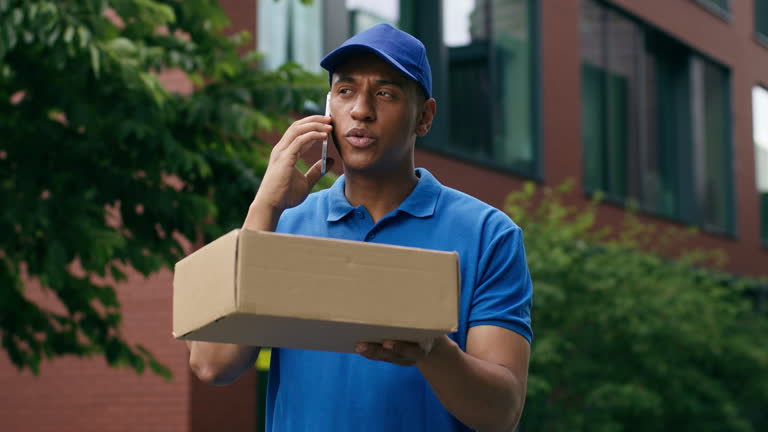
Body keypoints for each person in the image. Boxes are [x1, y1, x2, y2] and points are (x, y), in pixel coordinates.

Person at [187, 23, 533, 432]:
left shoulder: (489, 234)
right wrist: (265, 206)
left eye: (384, 93)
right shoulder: (282, 224)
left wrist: (429, 348)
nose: (361, 110)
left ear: (424, 117)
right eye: (345, 91)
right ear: (328, 107)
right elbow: (211, 364)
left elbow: (502, 413)